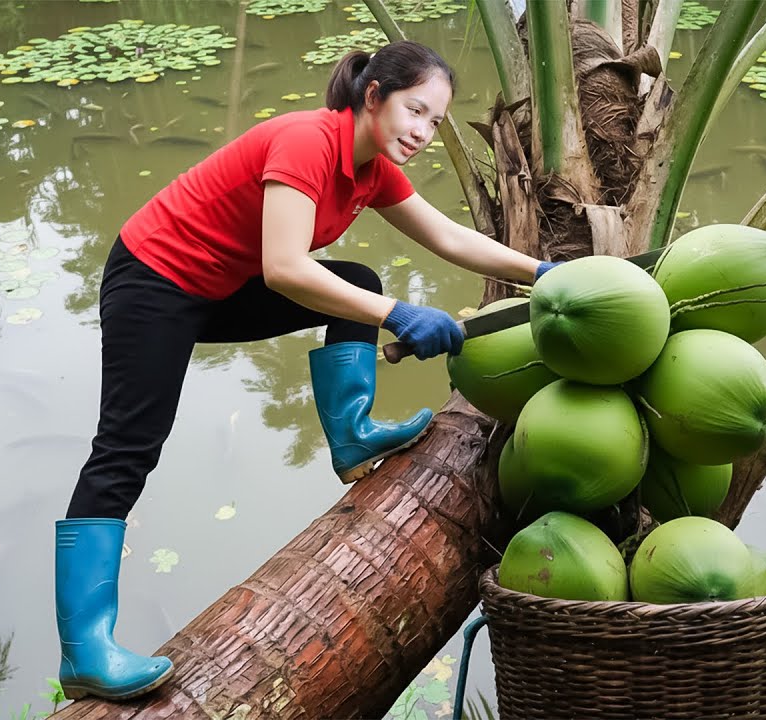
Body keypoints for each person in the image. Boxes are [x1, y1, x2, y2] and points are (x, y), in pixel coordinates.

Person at [53, 40, 560, 701]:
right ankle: (85, 650)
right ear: (373, 96)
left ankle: (352, 435)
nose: (423, 131)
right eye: (415, 111)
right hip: (155, 278)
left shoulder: (372, 168)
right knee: (128, 446)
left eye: (435, 121)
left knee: (358, 280)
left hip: (221, 285)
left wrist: (542, 273)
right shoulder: (309, 142)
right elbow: (286, 269)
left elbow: (448, 237)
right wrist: (398, 314)